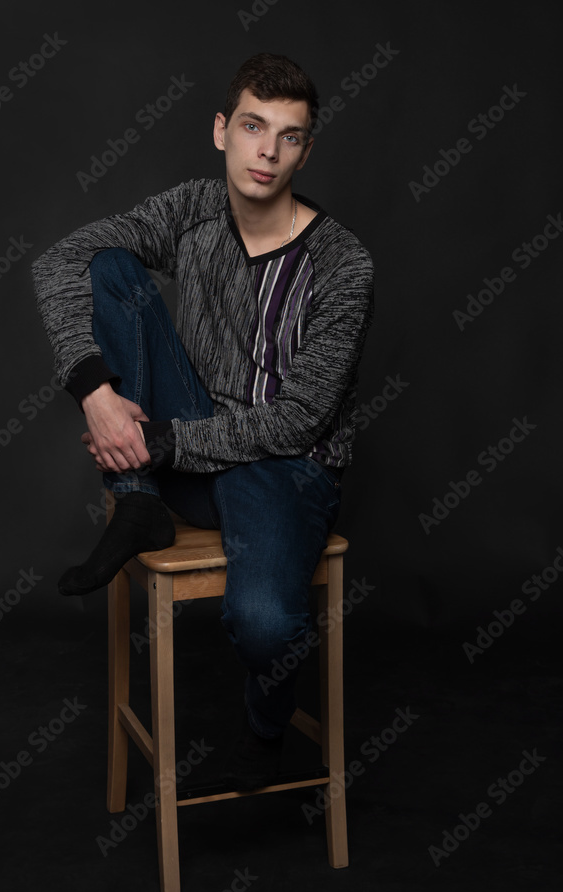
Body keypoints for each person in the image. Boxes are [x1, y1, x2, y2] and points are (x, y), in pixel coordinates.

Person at [32, 52, 374, 791]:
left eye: (288, 136)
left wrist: (162, 441)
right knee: (108, 267)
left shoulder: (344, 264)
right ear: (222, 130)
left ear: (306, 150)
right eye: (253, 127)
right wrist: (94, 391)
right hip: (185, 459)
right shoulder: (193, 210)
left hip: (287, 468)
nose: (267, 151)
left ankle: (266, 722)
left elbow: (297, 421)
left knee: (266, 627)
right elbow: (59, 261)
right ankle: (140, 503)